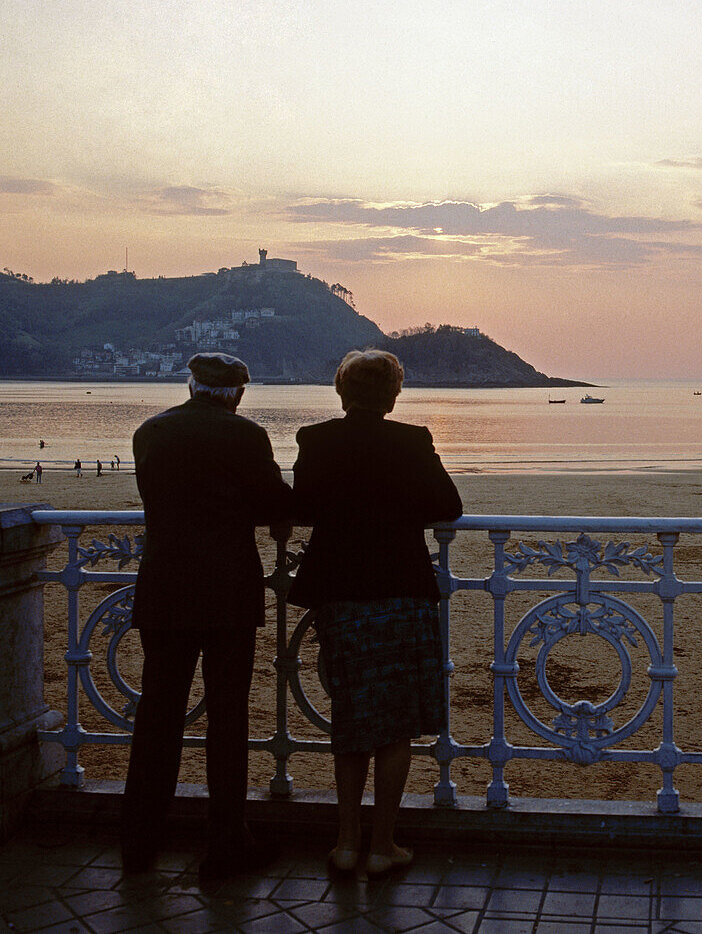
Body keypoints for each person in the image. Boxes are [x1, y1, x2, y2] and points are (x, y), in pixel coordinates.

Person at [288, 349, 462, 878]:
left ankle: (345, 845)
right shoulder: (412, 441)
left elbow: (305, 508)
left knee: (352, 719)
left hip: (340, 597)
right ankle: (383, 846)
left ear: (342, 393)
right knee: (395, 728)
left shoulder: (315, 440)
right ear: (392, 395)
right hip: (402, 594)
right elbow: (447, 506)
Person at [121, 352, 294, 878]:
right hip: (227, 592)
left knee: (157, 714)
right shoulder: (245, 436)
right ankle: (225, 843)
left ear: (191, 385)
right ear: (237, 393)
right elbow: (274, 504)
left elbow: (155, 498)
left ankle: (139, 841)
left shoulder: (151, 431)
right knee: (227, 719)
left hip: (165, 587)